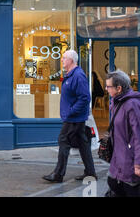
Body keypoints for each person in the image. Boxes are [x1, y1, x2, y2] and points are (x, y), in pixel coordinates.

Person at [42, 50, 97, 183]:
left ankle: (58, 174)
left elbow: (85, 97)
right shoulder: (71, 75)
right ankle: (91, 173)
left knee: (63, 141)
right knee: (83, 144)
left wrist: (71, 111)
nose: (62, 60)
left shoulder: (78, 75)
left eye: (64, 58)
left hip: (74, 119)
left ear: (71, 60)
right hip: (74, 118)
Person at [104, 70, 140, 197]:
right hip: (119, 153)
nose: (106, 89)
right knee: (113, 182)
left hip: (131, 155)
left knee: (131, 188)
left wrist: (139, 164)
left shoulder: (132, 105)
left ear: (119, 88)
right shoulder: (116, 101)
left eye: (108, 86)